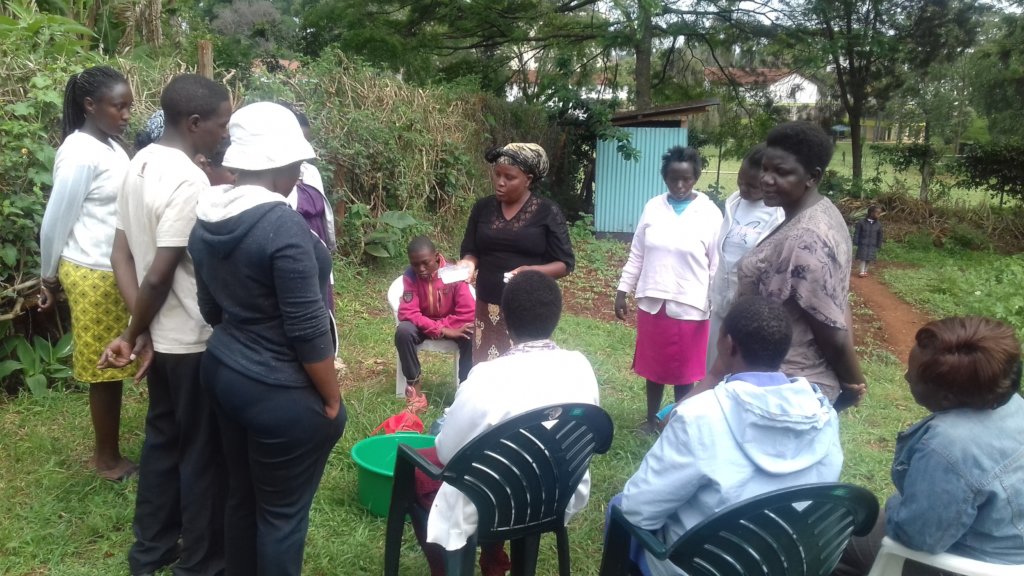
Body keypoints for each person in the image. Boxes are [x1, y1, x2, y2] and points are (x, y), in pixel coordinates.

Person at [189, 101, 345, 576]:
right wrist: (332, 398)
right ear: (278, 165)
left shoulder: (207, 217)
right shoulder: (283, 226)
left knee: (242, 496)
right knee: (282, 517)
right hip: (277, 389)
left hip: (223, 370)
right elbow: (307, 329)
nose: (299, 174)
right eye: (296, 164)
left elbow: (211, 310)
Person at [98, 74, 232, 576]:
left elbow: (121, 255)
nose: (225, 132)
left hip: (161, 339)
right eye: (221, 123)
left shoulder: (138, 163)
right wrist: (135, 333)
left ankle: (150, 550)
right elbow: (158, 274)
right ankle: (200, 563)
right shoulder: (188, 181)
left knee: (162, 442)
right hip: (191, 339)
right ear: (195, 123)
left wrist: (140, 332)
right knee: (201, 454)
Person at [613, 296, 843, 576]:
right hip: (784, 563)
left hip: (704, 567)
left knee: (619, 507)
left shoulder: (699, 416)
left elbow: (637, 511)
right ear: (784, 351)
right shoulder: (823, 415)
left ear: (728, 343)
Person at [414, 270, 600, 576]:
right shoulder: (581, 366)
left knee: (419, 470)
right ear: (556, 316)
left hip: (489, 503)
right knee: (502, 463)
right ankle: (495, 562)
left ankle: (447, 570)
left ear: (505, 319)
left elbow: (446, 453)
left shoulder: (486, 377)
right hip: (554, 495)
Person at [834, 317, 1024, 576]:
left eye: (912, 376)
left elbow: (917, 538)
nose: (905, 376)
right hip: (1009, 550)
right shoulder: (1012, 404)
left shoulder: (948, 445)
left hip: (967, 564)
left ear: (946, 398)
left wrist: (896, 506)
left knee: (828, 534)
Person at [37, 65, 138, 481]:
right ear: (90, 105)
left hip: (116, 268)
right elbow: (55, 221)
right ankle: (106, 460)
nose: (126, 115)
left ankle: (112, 452)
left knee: (117, 361)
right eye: (119, 107)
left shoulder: (110, 145)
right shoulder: (80, 153)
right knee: (105, 368)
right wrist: (47, 277)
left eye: (129, 106)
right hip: (94, 272)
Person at [730, 121, 866, 410]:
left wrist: (853, 383)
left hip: (787, 389)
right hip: (772, 379)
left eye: (781, 172)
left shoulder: (807, 238)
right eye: (765, 169)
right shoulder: (819, 211)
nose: (766, 179)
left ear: (812, 177)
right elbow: (839, 301)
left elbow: (831, 330)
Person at [614, 146, 723, 434]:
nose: (680, 186)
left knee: (685, 373)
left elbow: (716, 264)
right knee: (654, 368)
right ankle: (651, 419)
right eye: (674, 179)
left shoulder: (710, 213)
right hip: (653, 303)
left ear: (696, 178)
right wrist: (623, 290)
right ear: (665, 177)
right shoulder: (653, 207)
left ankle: (677, 422)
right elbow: (637, 253)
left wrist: (715, 301)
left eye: (687, 179)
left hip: (691, 305)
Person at [457, 143, 575, 364]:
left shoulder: (547, 211)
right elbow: (471, 250)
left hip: (527, 307)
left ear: (527, 179)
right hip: (487, 303)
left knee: (524, 368)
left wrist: (530, 271)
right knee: (486, 364)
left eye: (509, 177)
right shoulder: (482, 208)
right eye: (497, 175)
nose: (500, 182)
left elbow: (565, 263)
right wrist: (468, 264)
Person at [706, 143, 784, 373]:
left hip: (751, 312)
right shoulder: (733, 203)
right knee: (713, 370)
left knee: (741, 374)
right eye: (741, 181)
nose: (743, 189)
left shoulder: (778, 215)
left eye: (751, 186)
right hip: (720, 306)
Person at [395, 235, 474, 401]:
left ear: (436, 257)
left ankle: (466, 392)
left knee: (471, 333)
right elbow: (407, 312)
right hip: (423, 326)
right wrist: (440, 329)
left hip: (452, 325)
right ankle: (415, 393)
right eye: (415, 264)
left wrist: (445, 327)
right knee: (403, 331)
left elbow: (467, 312)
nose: (421, 269)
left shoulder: (454, 273)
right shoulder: (410, 276)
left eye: (426, 263)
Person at [853, 205, 883, 278]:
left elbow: (880, 235)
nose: (879, 215)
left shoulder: (878, 225)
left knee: (869, 258)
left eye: (879, 213)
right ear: (871, 213)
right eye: (877, 213)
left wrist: (879, 244)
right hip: (863, 243)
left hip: (872, 244)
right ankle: (861, 271)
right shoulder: (861, 222)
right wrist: (856, 241)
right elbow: (857, 233)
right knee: (863, 258)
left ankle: (865, 271)